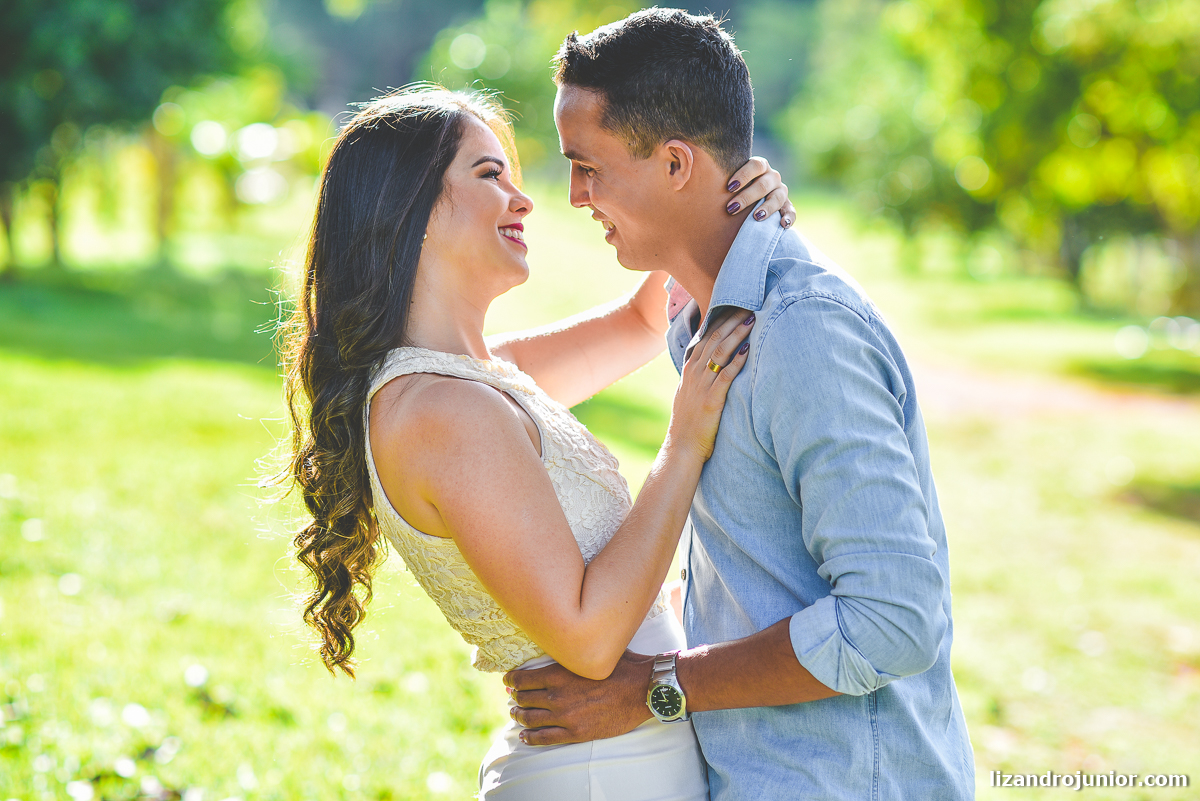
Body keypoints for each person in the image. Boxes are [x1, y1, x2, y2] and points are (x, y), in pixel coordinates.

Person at [503, 9, 977, 800]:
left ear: (677, 163)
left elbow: (892, 619)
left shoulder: (802, 333)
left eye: (588, 167)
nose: (576, 195)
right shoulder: (701, 317)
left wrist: (654, 685)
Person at [278, 85, 797, 799]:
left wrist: (729, 194)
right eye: (490, 176)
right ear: (410, 209)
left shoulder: (485, 376)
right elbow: (586, 637)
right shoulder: (441, 410)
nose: (524, 201)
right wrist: (684, 442)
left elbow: (647, 321)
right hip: (595, 776)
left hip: (626, 760)